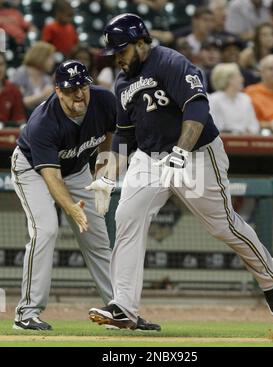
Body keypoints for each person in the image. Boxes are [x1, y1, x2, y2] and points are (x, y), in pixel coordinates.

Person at [87, 14, 273, 330]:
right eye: (114, 54)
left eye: (122, 50)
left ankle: (271, 275)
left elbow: (196, 107)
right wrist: (108, 173)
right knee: (127, 217)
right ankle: (123, 306)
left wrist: (181, 151)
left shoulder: (170, 62)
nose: (119, 59)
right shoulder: (123, 81)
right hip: (150, 158)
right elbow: (124, 133)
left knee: (222, 226)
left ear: (141, 42)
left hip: (195, 154)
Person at [11, 59, 159, 331]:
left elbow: (113, 133)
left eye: (82, 86)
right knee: (45, 230)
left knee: (99, 240)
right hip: (33, 170)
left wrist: (102, 172)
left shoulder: (103, 100)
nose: (79, 93)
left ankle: (120, 311)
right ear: (57, 90)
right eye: (71, 89)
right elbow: (51, 177)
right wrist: (72, 208)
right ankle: (27, 313)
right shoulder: (43, 122)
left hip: (77, 169)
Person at [209, 63, 260, 134]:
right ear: (229, 79)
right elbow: (215, 127)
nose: (242, 79)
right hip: (225, 141)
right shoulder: (214, 99)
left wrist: (249, 132)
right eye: (238, 76)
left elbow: (254, 125)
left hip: (246, 140)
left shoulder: (246, 99)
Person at [10, 41, 56, 117]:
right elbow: (18, 103)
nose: (53, 62)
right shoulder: (21, 73)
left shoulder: (46, 78)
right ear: (41, 57)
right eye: (50, 58)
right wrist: (42, 96)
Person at [0, 52, 26, 127]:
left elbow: (20, 120)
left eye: (1, 64)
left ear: (5, 66)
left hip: (7, 135)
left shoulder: (14, 90)